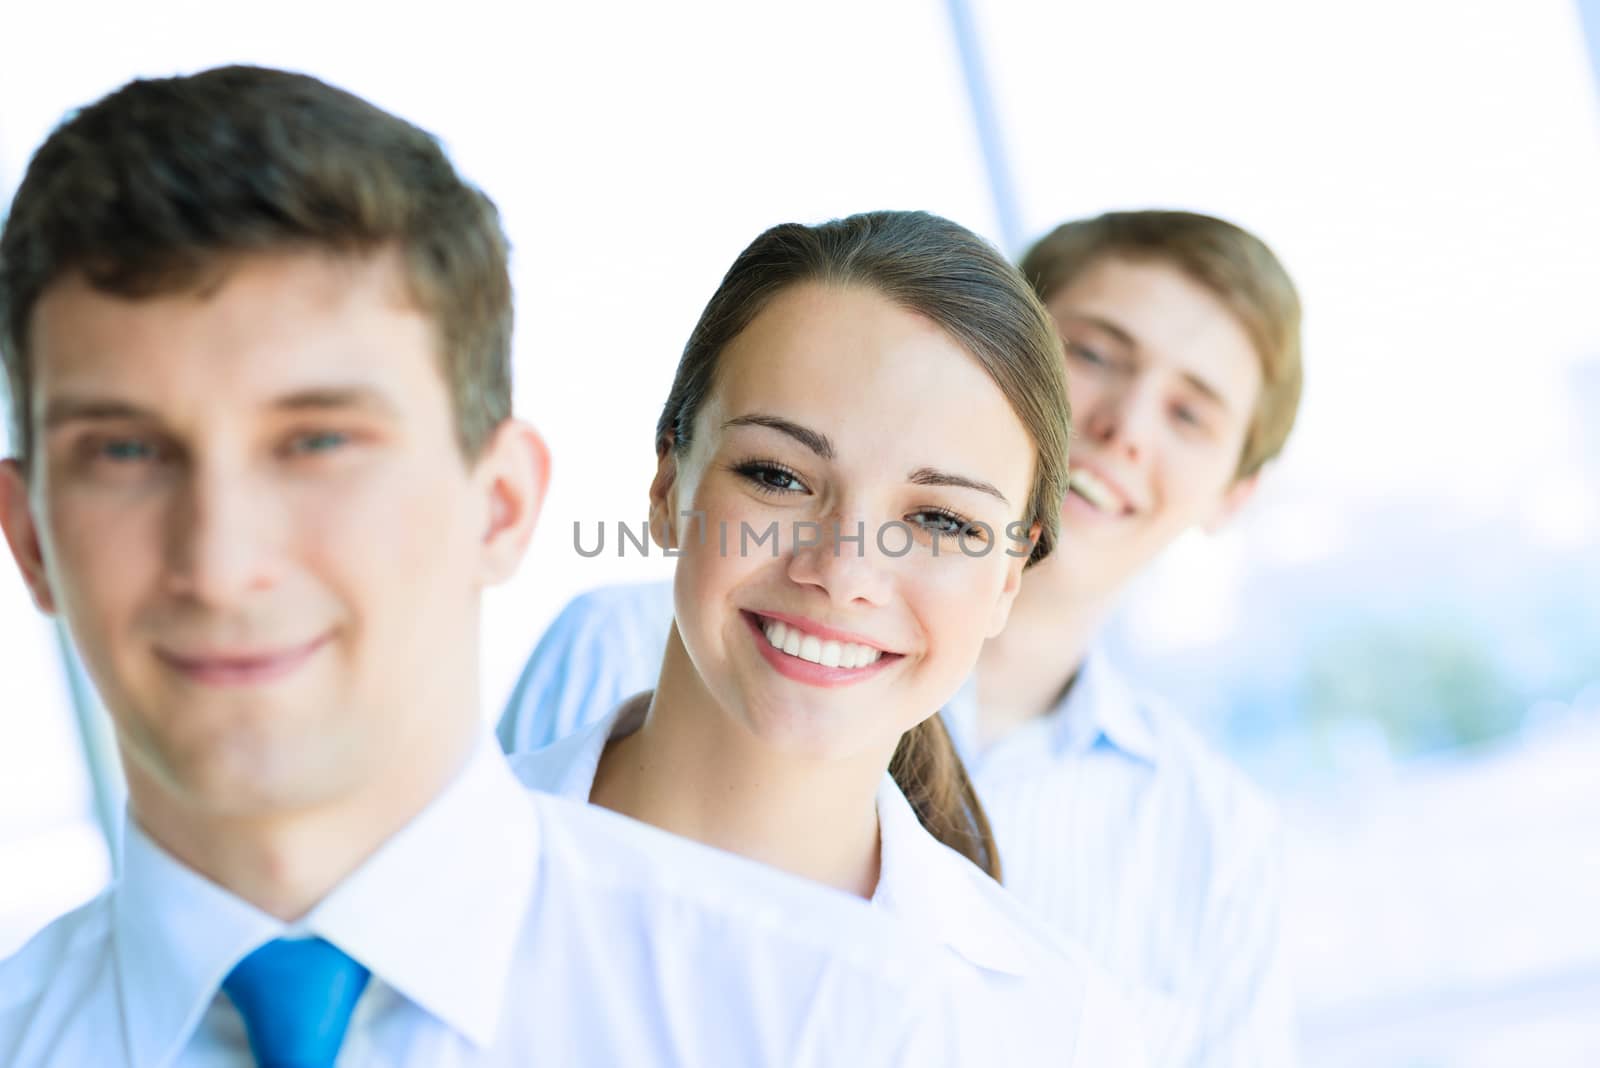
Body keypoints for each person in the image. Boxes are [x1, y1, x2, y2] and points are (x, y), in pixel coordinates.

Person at [0, 65, 996, 1068]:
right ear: (30, 534)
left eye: (319, 444)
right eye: (123, 453)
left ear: (500, 505)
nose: (218, 563)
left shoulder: (850, 1028)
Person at [500, 209, 1305, 1067]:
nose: (846, 571)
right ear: (667, 482)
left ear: (1010, 572)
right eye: (777, 476)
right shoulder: (422, 859)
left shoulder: (1064, 1022)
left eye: (941, 519)